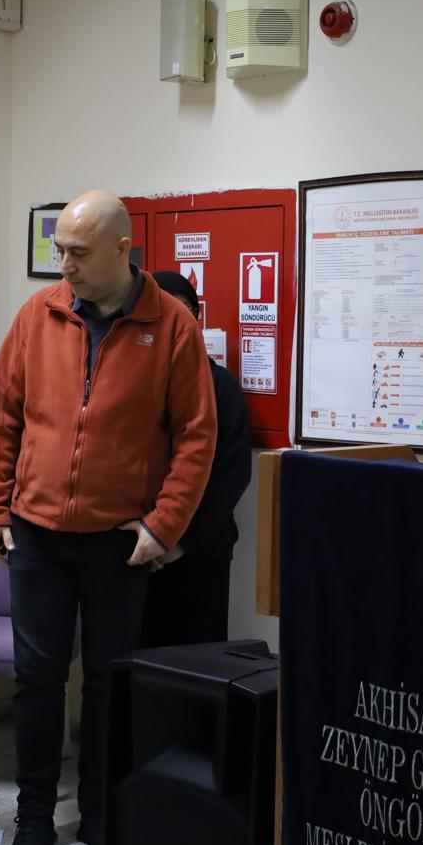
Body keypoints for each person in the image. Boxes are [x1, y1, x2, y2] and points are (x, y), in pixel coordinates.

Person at [0, 190, 217, 845]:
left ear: (122, 249)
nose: (66, 266)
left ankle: (103, 812)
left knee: (110, 680)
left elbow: (196, 437)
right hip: (37, 532)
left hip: (118, 540)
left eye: (79, 253)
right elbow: (2, 417)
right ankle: (32, 817)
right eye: (60, 251)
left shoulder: (171, 325)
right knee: (37, 678)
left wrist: (163, 526)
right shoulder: (38, 314)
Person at [142, 271, 253, 647]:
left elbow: (230, 476)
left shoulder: (221, 386)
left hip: (199, 549)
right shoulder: (131, 383)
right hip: (136, 548)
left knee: (198, 660)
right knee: (135, 660)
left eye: (184, 312)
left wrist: (176, 542)